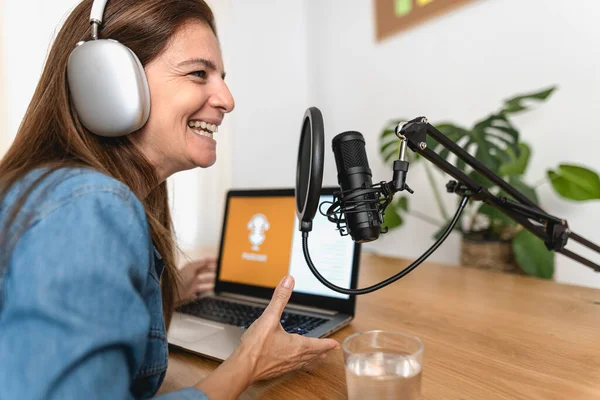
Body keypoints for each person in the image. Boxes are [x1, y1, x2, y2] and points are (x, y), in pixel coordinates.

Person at [0, 0, 339, 399]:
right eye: (199, 73)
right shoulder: (89, 206)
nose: (227, 99)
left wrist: (140, 292)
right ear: (106, 81)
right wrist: (248, 361)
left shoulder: (58, 191)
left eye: (222, 77)